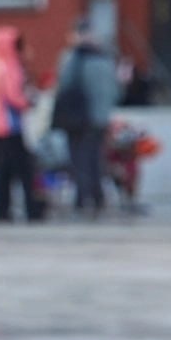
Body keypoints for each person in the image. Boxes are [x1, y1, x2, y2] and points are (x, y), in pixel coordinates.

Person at [53, 17, 119, 216]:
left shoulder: (74, 57)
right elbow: (117, 89)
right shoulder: (107, 57)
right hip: (101, 116)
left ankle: (83, 199)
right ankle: (97, 197)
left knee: (79, 159)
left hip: (79, 117)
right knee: (96, 157)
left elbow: (64, 83)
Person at [0, 26, 42, 222]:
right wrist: (29, 101)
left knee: (2, 171)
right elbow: (13, 96)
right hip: (11, 124)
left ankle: (2, 210)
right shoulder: (9, 65)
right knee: (25, 169)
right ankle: (31, 209)